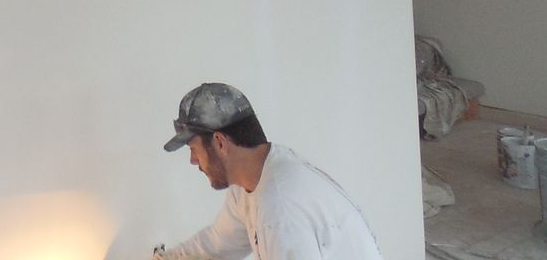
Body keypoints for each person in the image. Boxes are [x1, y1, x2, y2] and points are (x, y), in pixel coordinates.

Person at [154, 83, 384, 260]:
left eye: (194, 149)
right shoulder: (248, 186)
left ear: (220, 142)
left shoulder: (280, 205)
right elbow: (217, 244)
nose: (193, 161)